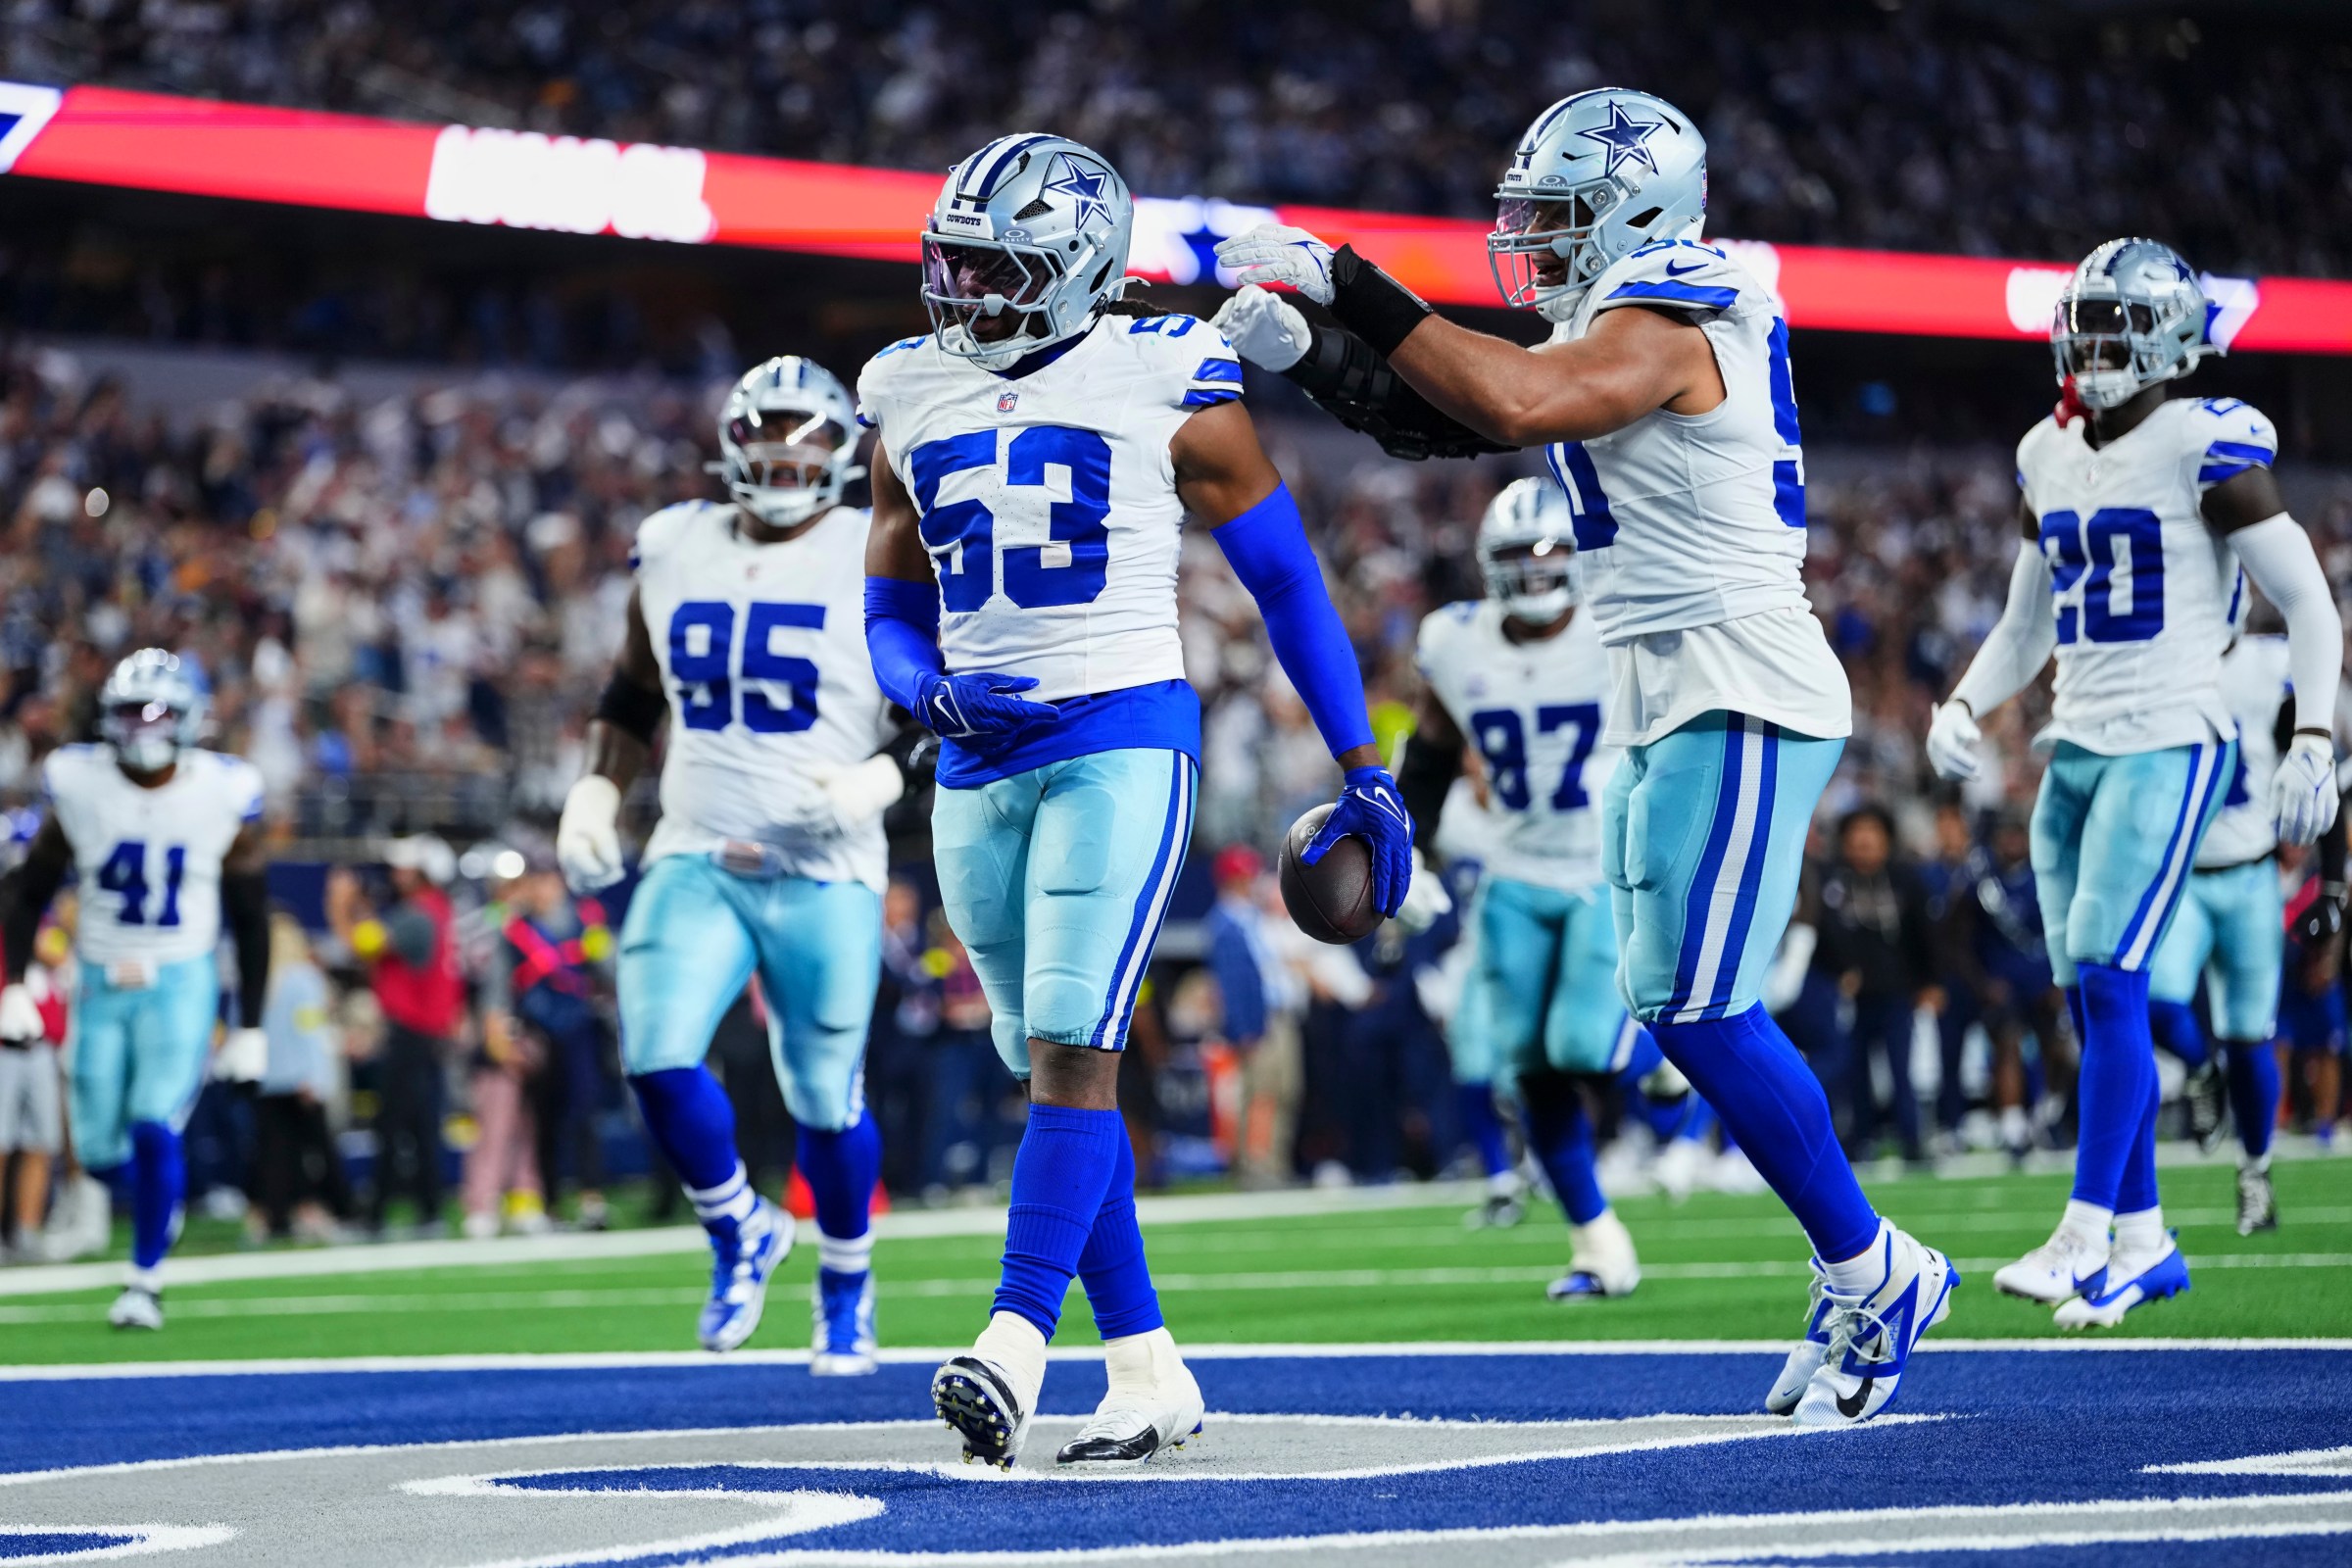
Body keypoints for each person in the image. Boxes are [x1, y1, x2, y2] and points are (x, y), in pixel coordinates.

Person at [1217, 89, 1949, 1424]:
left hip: (1739, 679)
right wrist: (1308, 352)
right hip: (1668, 690)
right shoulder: (1611, 321)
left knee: (1699, 1004)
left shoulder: (1686, 309)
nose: (1534, 248)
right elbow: (1444, 421)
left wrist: (1347, 280)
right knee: (1676, 1002)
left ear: (1643, 213)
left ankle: (1876, 1266)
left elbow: (1506, 395)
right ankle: (1859, 1270)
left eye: (1557, 222)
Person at [860, 132, 1410, 1466]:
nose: (961, 287)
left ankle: (1014, 1338)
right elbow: (885, 591)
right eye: (958, 260)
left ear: (1073, 268)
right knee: (1043, 1057)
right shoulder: (909, 387)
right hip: (975, 758)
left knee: (1072, 1042)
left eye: (992, 267)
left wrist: (1361, 764)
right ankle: (1149, 1366)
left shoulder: (1169, 372)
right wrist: (922, 692)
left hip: (1120, 735)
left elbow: (1283, 582)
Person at [1927, 238, 2341, 1327]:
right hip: (2078, 741)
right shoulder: (2045, 452)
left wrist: (2315, 737)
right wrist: (1968, 702)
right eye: (2085, 323)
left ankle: (2083, 1231)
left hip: (2173, 736)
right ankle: (2148, 1242)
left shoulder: (2208, 442)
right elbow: (2026, 623)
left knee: (2112, 981)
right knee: (2086, 999)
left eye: (2116, 325)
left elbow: (2308, 603)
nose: (2092, 344)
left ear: (2168, 338)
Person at [557, 355, 927, 1371]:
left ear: (843, 450)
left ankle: (846, 1280)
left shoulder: (882, 546)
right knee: (656, 1052)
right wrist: (597, 787)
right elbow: (633, 692)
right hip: (696, 852)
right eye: (764, 429)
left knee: (822, 1095)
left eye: (804, 434)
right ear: (730, 442)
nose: (782, 452)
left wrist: (883, 782)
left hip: (825, 865)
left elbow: (943, 714)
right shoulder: (673, 543)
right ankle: (738, 1224)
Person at [1395, 475, 1639, 1298]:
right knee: (1524, 1064)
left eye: (1549, 554)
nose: (1536, 573)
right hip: (1513, 865)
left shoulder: (1620, 620)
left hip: (1603, 862)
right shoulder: (1456, 641)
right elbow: (1429, 753)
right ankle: (1596, 1243)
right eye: (1517, 558)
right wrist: (1410, 851)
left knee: (1578, 1043)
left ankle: (1669, 1059)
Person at [0, 649, 270, 1328]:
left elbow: (250, 914)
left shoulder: (220, 790)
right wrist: (14, 981)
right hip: (98, 976)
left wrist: (251, 1024)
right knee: (95, 1153)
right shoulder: (80, 783)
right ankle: (162, 1202)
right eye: (129, 712)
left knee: (154, 1120)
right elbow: (28, 893)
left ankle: (144, 1280)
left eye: (157, 712)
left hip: (180, 979)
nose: (143, 727)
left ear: (189, 718)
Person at [2146, 627, 2335, 1235]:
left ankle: (2255, 1172)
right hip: (2182, 878)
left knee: (2251, 1038)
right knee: (2156, 1000)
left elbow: (2319, 764)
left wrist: (2330, 884)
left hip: (2252, 875)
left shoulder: (2268, 662)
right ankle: (2201, 1076)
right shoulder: (2152, 655)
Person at [328, 834, 463, 1236]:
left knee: (392, 1125)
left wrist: (338, 903)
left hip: (412, 1032)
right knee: (418, 1126)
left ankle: (376, 1218)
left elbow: (357, 944)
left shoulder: (418, 915)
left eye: (407, 868)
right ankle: (428, 1211)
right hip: (425, 1032)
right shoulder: (431, 911)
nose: (398, 875)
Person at [1813, 806, 1939, 1165]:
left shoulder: (1906, 879)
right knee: (1853, 1070)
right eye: (1858, 832)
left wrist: (1930, 982)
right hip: (1850, 995)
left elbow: (1924, 934)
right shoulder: (1832, 882)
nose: (1865, 841)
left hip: (1899, 992)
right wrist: (1837, 973)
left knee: (1902, 1068)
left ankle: (1912, 1140)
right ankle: (1859, 1140)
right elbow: (1819, 934)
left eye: (1873, 832)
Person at [1202, 845, 1303, 1189]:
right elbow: (1231, 984)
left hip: (1278, 1015)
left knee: (1283, 1091)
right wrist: (1243, 1028)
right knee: (1261, 1093)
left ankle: (1275, 1162)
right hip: (1258, 1022)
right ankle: (1255, 1167)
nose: (1253, 881)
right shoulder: (1225, 923)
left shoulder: (1254, 918)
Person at [249, 911, 352, 1242]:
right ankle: (338, 1211)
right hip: (300, 1079)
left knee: (276, 1155)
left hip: (267, 1079)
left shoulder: (257, 978)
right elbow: (311, 1031)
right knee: (320, 1151)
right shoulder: (303, 979)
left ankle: (277, 1217)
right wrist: (315, 1076)